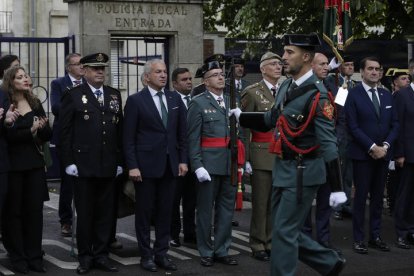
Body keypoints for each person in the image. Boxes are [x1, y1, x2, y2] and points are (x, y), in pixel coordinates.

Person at [230, 33, 347, 276]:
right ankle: (328, 262)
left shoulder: (319, 95)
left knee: (283, 232)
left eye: (289, 52)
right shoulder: (285, 85)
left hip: (303, 171)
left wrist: (337, 187)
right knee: (283, 229)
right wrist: (242, 116)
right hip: (283, 167)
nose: (283, 57)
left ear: (306, 57)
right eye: (284, 52)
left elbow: (328, 144)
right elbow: (271, 119)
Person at [59, 53, 123, 274]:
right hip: (83, 164)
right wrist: (68, 161)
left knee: (106, 213)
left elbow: (119, 130)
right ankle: (85, 256)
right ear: (84, 70)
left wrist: (120, 160)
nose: (100, 72)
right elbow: (64, 131)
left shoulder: (114, 95)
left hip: (107, 164)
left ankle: (102, 254)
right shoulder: (73, 95)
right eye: (95, 68)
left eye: (102, 68)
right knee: (85, 213)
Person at [123, 59, 187, 273]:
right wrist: (132, 165)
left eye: (165, 71)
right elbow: (128, 138)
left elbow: (182, 135)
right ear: (147, 76)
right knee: (144, 213)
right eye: (158, 72)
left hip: (170, 165)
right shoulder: (135, 101)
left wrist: (183, 160)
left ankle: (162, 253)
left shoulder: (175, 98)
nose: (163, 75)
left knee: (166, 212)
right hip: (145, 167)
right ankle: (146, 254)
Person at [187, 60, 243, 268]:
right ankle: (206, 250)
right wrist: (197, 165)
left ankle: (222, 249)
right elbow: (192, 138)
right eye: (215, 75)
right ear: (206, 81)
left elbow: (239, 134)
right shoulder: (198, 103)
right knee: (204, 210)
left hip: (229, 163)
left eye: (222, 74)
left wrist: (242, 160)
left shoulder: (231, 102)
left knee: (226, 210)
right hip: (208, 165)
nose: (221, 77)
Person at [345, 56, 399, 254]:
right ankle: (359, 239)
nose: (374, 72)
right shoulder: (353, 94)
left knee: (378, 199)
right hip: (362, 155)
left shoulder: (386, 95)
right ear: (362, 71)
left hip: (383, 153)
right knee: (360, 198)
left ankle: (375, 236)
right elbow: (352, 125)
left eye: (377, 69)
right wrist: (371, 147)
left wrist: (384, 145)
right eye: (370, 69)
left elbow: (395, 124)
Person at [2, 66, 52, 273]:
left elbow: (47, 135)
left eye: (26, 76)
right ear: (11, 81)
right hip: (12, 166)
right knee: (13, 213)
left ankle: (34, 256)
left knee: (34, 212)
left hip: (34, 164)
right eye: (19, 77)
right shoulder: (6, 103)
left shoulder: (34, 102)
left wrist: (42, 128)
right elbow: (8, 137)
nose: (25, 79)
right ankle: (18, 257)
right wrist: (29, 130)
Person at [240, 51, 282, 262]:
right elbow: (245, 128)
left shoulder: (285, 89)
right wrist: (245, 158)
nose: (278, 67)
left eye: (280, 63)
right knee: (261, 203)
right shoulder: (252, 92)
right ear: (263, 68)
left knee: (275, 203)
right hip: (261, 153)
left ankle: (272, 241)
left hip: (281, 153)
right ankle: (258, 242)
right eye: (273, 64)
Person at [302, 52, 341, 254]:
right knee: (307, 200)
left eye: (327, 64)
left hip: (328, 151)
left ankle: (324, 240)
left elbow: (339, 116)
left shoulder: (332, 87)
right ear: (311, 66)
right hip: (311, 152)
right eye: (322, 64)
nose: (326, 67)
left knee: (325, 200)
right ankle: (307, 240)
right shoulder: (305, 88)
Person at [50, 53, 84, 237]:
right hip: (66, 138)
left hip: (85, 139)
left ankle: (87, 219)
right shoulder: (59, 84)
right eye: (77, 64)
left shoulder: (88, 84)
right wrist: (78, 109)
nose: (81, 67)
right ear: (68, 67)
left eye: (82, 64)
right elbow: (56, 107)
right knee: (68, 181)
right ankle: (66, 220)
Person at [325, 55, 356, 221]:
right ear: (340, 67)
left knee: (349, 172)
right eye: (347, 64)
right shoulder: (332, 81)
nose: (350, 67)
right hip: (340, 131)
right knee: (339, 170)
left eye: (352, 65)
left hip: (353, 133)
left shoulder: (355, 85)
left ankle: (347, 205)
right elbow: (338, 105)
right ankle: (337, 206)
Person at [169, 67, 197, 248]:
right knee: (173, 199)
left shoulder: (196, 100)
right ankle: (173, 234)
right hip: (177, 157)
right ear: (175, 84)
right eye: (184, 79)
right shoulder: (170, 100)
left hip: (194, 159)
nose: (189, 82)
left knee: (192, 199)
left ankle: (190, 233)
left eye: (190, 79)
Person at [392, 68, 414, 249]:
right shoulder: (403, 95)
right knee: (405, 195)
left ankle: (412, 230)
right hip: (407, 155)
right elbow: (397, 124)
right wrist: (399, 153)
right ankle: (402, 232)